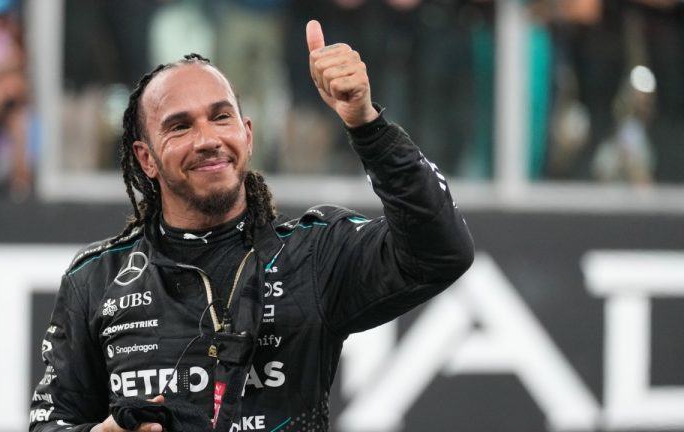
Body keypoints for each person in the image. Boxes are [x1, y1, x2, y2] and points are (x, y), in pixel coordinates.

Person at [30, 20, 474, 432]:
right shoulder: (95, 277)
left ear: (247, 133)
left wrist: (366, 123)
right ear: (146, 158)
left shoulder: (312, 255)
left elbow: (440, 251)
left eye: (221, 117)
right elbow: (51, 423)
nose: (208, 140)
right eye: (180, 126)